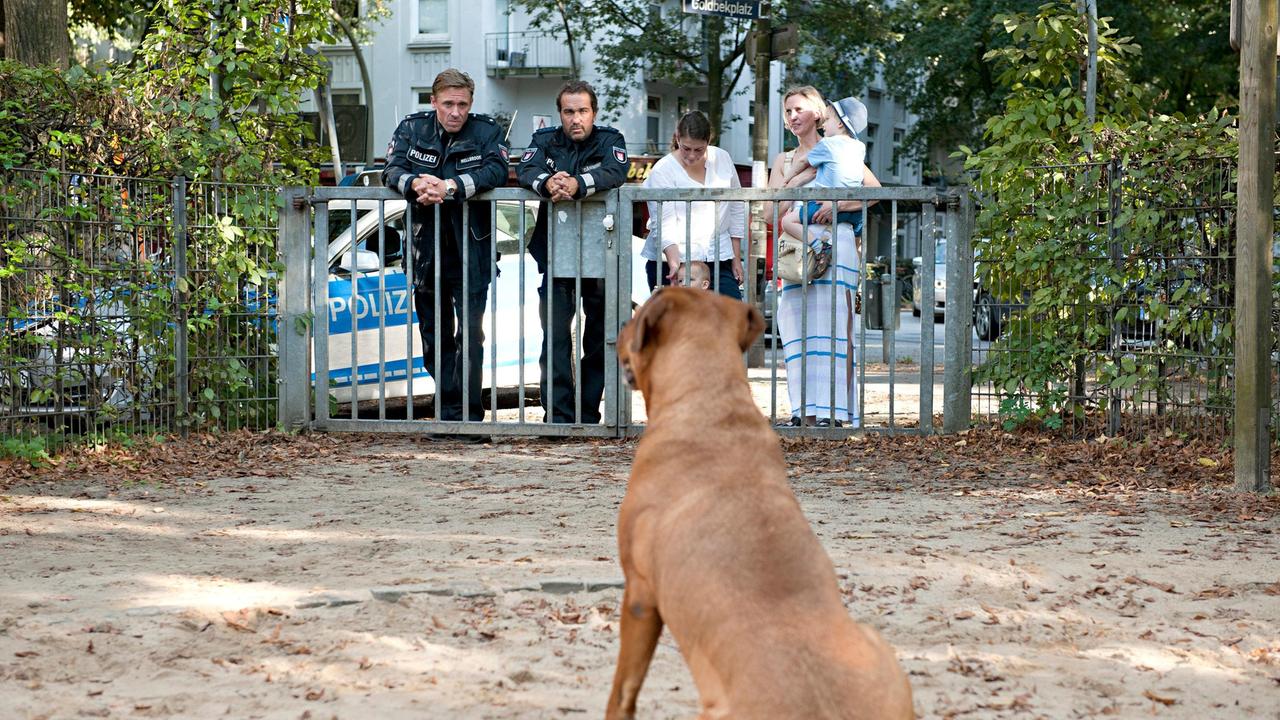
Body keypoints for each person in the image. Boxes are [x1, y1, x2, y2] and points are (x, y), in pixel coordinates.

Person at [383, 68, 510, 423]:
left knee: (470, 337)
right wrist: (416, 185)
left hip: (471, 251)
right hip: (426, 251)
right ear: (433, 101)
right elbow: (391, 170)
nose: (456, 112)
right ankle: (450, 411)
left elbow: (496, 171)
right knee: (434, 340)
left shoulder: (486, 130)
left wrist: (450, 187)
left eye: (463, 105)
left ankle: (468, 418)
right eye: (449, 104)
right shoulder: (412, 128)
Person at [516, 80, 630, 424]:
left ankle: (588, 411)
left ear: (593, 112)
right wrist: (547, 183)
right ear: (560, 113)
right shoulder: (543, 140)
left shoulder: (611, 139)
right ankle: (560, 416)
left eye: (582, 111)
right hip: (553, 253)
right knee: (555, 337)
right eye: (569, 111)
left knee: (598, 339)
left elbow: (616, 171)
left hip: (601, 253)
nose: (575, 118)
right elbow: (525, 169)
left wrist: (579, 184)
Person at [768, 87, 880, 429]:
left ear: (820, 114)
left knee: (835, 328)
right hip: (799, 248)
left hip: (837, 241)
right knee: (796, 328)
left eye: (798, 109)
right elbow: (770, 212)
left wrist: (838, 205)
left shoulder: (842, 150)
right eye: (787, 111)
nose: (792, 117)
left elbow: (875, 193)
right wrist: (791, 197)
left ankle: (835, 412)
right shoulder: (784, 159)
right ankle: (804, 410)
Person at [640, 111, 746, 299]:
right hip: (673, 260)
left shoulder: (722, 158)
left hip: (718, 257)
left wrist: (736, 258)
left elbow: (736, 207)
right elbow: (663, 224)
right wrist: (675, 265)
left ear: (708, 141)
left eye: (699, 150)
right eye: (686, 148)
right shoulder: (662, 170)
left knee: (731, 319)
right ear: (677, 138)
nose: (691, 156)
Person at [779, 98, 867, 244]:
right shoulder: (859, 147)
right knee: (855, 234)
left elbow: (802, 161)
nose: (823, 124)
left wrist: (787, 179)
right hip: (853, 211)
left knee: (787, 222)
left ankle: (819, 246)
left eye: (827, 120)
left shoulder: (827, 144)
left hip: (822, 204)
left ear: (840, 124)